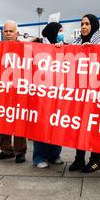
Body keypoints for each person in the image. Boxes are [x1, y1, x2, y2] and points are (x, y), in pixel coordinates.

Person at [69, 14, 100, 173]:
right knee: (79, 125)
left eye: (87, 24)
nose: (84, 27)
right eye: (82, 24)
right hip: (80, 91)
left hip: (96, 91)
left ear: (94, 25)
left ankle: (95, 160)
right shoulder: (77, 42)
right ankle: (79, 158)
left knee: (94, 126)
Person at [0, 21, 28, 164]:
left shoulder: (24, 47)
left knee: (19, 122)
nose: (7, 34)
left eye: (10, 31)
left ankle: (20, 151)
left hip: (19, 90)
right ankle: (6, 150)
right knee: (3, 120)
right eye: (5, 31)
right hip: (3, 90)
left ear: (17, 33)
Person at [32, 23, 65, 169]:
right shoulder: (38, 44)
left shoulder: (63, 46)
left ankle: (55, 154)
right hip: (41, 93)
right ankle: (39, 157)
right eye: (59, 31)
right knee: (41, 126)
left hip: (58, 93)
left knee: (57, 124)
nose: (61, 33)